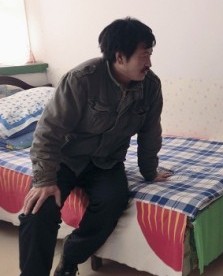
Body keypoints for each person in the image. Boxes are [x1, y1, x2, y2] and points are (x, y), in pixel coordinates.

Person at [18, 17, 171, 276]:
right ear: (120, 57)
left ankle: (70, 258)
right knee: (38, 211)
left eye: (150, 54)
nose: (150, 63)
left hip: (106, 162)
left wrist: (149, 170)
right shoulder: (82, 80)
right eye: (144, 55)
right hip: (65, 159)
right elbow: (48, 132)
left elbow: (150, 132)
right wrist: (44, 179)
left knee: (114, 201)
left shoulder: (150, 87)